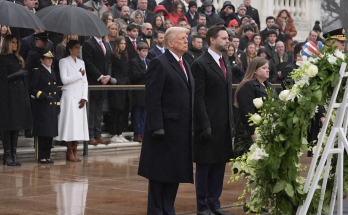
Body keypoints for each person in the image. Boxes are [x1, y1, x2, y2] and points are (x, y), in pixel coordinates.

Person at [138, 27, 194, 215]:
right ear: (170, 43)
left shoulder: (184, 63)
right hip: (163, 132)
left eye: (187, 38)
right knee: (160, 176)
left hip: (180, 131)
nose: (187, 41)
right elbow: (152, 98)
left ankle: (168, 209)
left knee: (174, 174)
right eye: (182, 38)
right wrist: (157, 127)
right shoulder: (159, 63)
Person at [191, 25, 234, 215]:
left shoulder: (225, 62)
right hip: (207, 126)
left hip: (223, 125)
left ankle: (214, 203)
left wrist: (231, 123)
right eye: (224, 38)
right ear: (213, 40)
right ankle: (203, 206)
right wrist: (204, 124)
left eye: (228, 38)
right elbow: (197, 98)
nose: (228, 41)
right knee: (205, 167)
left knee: (219, 167)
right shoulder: (200, 64)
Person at [0, 35, 32, 166]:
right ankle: (7, 154)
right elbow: (2, 79)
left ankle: (14, 153)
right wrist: (16, 75)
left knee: (16, 126)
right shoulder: (2, 59)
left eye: (17, 43)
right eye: (13, 42)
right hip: (7, 96)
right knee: (7, 126)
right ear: (7, 43)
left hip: (19, 96)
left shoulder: (19, 59)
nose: (15, 45)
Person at [55, 40, 88, 162]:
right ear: (70, 49)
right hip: (69, 96)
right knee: (70, 124)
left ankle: (75, 149)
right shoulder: (64, 61)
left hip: (79, 96)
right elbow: (64, 79)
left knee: (78, 125)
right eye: (76, 47)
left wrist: (85, 97)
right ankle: (69, 150)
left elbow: (85, 81)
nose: (78, 50)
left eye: (79, 47)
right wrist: (78, 75)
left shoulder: (81, 62)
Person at [29, 51, 59, 164]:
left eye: (51, 59)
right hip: (42, 105)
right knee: (43, 132)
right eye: (47, 58)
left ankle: (47, 155)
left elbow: (55, 90)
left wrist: (57, 104)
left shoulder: (53, 72)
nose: (50, 61)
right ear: (42, 60)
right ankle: (41, 155)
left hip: (51, 106)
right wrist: (42, 96)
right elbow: (32, 88)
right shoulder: (38, 71)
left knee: (50, 132)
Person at [82, 36, 112, 146]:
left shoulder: (106, 44)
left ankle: (98, 134)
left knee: (99, 110)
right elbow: (88, 63)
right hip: (93, 80)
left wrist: (108, 75)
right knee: (91, 110)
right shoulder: (88, 43)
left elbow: (109, 62)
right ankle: (90, 135)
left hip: (104, 82)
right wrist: (100, 76)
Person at [108, 36, 130, 143]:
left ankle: (119, 133)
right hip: (116, 85)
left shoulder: (125, 56)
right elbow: (111, 69)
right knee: (115, 110)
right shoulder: (113, 56)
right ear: (117, 44)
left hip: (124, 86)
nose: (123, 45)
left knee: (122, 110)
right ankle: (113, 134)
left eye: (124, 44)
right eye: (121, 43)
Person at [129, 42, 149, 142]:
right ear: (138, 51)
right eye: (143, 51)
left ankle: (143, 132)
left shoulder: (149, 62)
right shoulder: (134, 62)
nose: (145, 53)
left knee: (144, 114)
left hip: (147, 91)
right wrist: (145, 71)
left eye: (146, 51)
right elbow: (134, 76)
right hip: (138, 92)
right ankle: (137, 133)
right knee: (137, 113)